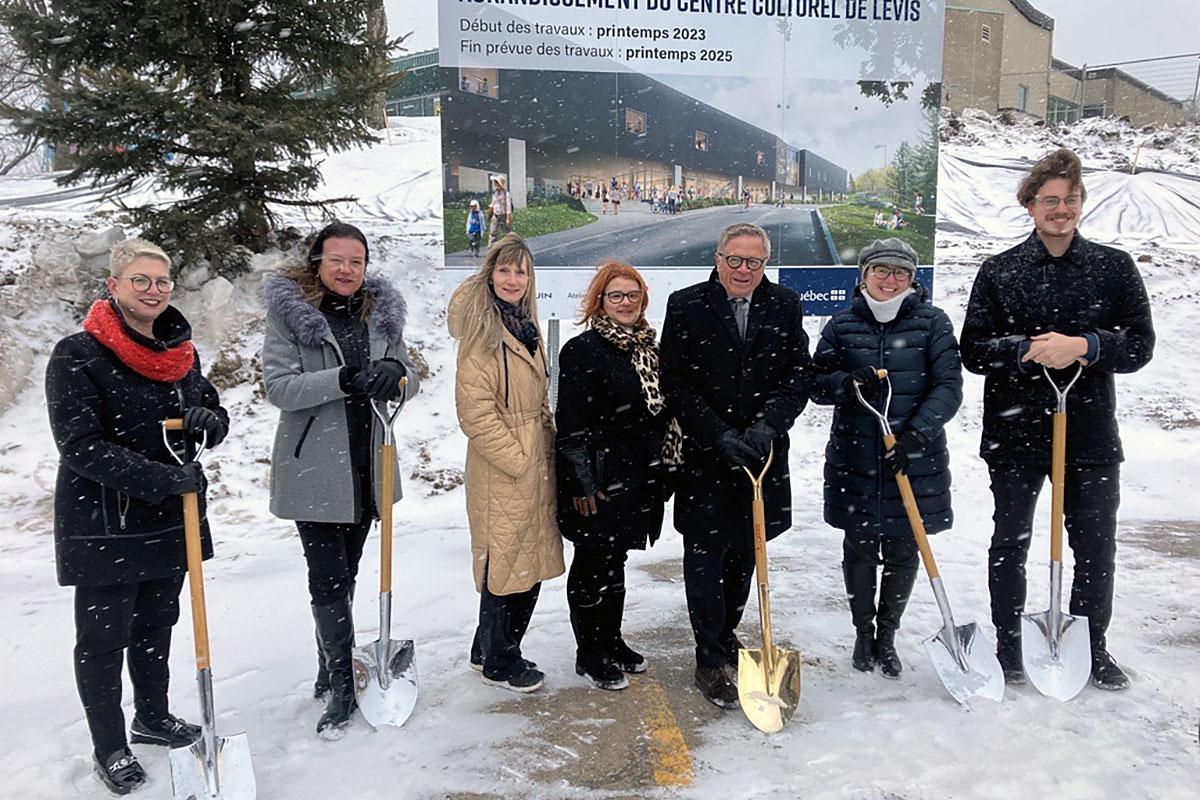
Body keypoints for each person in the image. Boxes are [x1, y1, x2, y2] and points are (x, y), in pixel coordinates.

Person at [961, 148, 1155, 690]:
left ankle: (1090, 645)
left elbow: (1140, 345)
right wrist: (1025, 350)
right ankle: (1008, 643)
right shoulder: (1000, 271)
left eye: (1070, 199)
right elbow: (973, 350)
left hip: (1089, 433)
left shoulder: (1113, 268)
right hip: (1015, 432)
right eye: (1050, 200)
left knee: (1094, 543)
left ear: (1081, 204)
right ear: (1030, 205)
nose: (1061, 209)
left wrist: (1086, 345)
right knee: (1011, 540)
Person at [46, 238, 228, 795]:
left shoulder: (182, 352)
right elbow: (79, 444)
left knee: (156, 624)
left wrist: (209, 419)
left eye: (162, 281)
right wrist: (161, 479)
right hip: (105, 521)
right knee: (103, 639)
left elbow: (211, 412)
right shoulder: (77, 354)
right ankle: (110, 746)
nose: (153, 290)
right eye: (140, 280)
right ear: (115, 286)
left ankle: (152, 715)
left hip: (170, 518)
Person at [262, 222, 420, 735]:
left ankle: (329, 663)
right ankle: (341, 684)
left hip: (367, 463)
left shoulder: (380, 313)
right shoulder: (292, 317)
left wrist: (394, 373)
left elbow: (410, 376)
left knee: (347, 574)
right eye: (337, 261)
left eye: (356, 261)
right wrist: (344, 379)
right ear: (318, 264)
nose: (347, 270)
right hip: (315, 466)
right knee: (327, 578)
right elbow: (280, 387)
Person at [659, 222, 811, 709]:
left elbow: (798, 373)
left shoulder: (784, 304)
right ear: (718, 257)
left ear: (765, 264)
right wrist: (717, 433)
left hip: (762, 457)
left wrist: (769, 425)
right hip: (708, 456)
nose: (744, 270)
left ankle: (728, 637)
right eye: (735, 260)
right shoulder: (685, 304)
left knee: (747, 553)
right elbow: (675, 381)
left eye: (755, 262)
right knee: (705, 558)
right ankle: (708, 657)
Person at [810, 238, 963, 678]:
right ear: (864, 276)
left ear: (913, 280)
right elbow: (817, 383)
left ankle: (888, 635)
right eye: (881, 271)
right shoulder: (841, 325)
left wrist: (916, 437)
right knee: (858, 549)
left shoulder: (932, 323)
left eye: (900, 273)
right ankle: (863, 633)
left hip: (914, 458)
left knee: (902, 549)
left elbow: (948, 385)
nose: (889, 280)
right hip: (856, 457)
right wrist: (846, 381)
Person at [555, 262, 681, 691]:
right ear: (600, 302)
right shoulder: (582, 350)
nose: (625, 303)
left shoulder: (650, 347)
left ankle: (612, 640)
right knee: (593, 563)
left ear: (643, 300)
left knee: (616, 562)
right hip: (598, 478)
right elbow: (568, 421)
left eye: (632, 295)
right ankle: (588, 652)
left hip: (639, 477)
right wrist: (581, 481)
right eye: (616, 296)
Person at [447, 233, 564, 693]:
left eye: (521, 271)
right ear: (489, 275)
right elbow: (475, 412)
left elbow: (535, 400)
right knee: (508, 565)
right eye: (504, 270)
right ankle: (501, 659)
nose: (513, 279)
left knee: (521, 559)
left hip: (533, 458)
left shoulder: (522, 326)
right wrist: (518, 459)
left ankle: (486, 648)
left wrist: (545, 445)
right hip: (505, 468)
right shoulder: (483, 333)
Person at [487, 176, 513, 245]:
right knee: (493, 232)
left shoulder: (506, 193)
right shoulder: (495, 193)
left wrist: (508, 218)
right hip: (495, 215)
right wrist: (490, 212)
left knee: (506, 232)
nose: (495, 183)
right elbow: (493, 203)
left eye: (496, 182)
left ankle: (510, 246)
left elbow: (508, 206)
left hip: (503, 215)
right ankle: (491, 248)